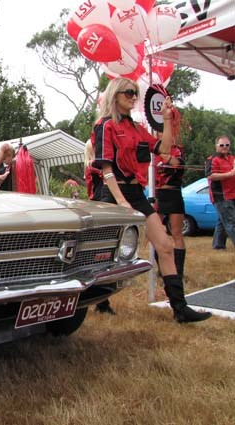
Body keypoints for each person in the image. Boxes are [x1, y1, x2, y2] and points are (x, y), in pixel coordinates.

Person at [92, 77, 211, 323]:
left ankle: (180, 309)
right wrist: (120, 201)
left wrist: (167, 119)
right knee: (105, 252)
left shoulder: (137, 128)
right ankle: (98, 301)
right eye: (129, 93)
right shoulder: (105, 126)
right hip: (113, 193)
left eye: (135, 93)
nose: (134, 97)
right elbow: (106, 168)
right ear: (115, 95)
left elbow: (165, 148)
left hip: (136, 193)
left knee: (165, 246)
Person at [84, 140, 116, 315]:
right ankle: (101, 302)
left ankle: (102, 302)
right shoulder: (93, 166)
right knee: (101, 256)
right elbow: (109, 176)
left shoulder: (91, 165)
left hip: (99, 206)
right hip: (100, 207)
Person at [154, 144, 187, 278]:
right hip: (158, 194)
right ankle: (162, 269)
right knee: (157, 233)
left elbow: (177, 163)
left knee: (176, 233)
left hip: (173, 192)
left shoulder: (177, 150)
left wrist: (160, 152)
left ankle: (178, 271)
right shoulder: (152, 152)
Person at [205, 135, 235, 246]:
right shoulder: (212, 159)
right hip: (221, 195)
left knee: (222, 221)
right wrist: (230, 174)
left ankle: (218, 245)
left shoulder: (232, 158)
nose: (225, 147)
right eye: (222, 145)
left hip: (233, 194)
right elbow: (210, 175)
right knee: (231, 222)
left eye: (227, 145)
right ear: (216, 146)